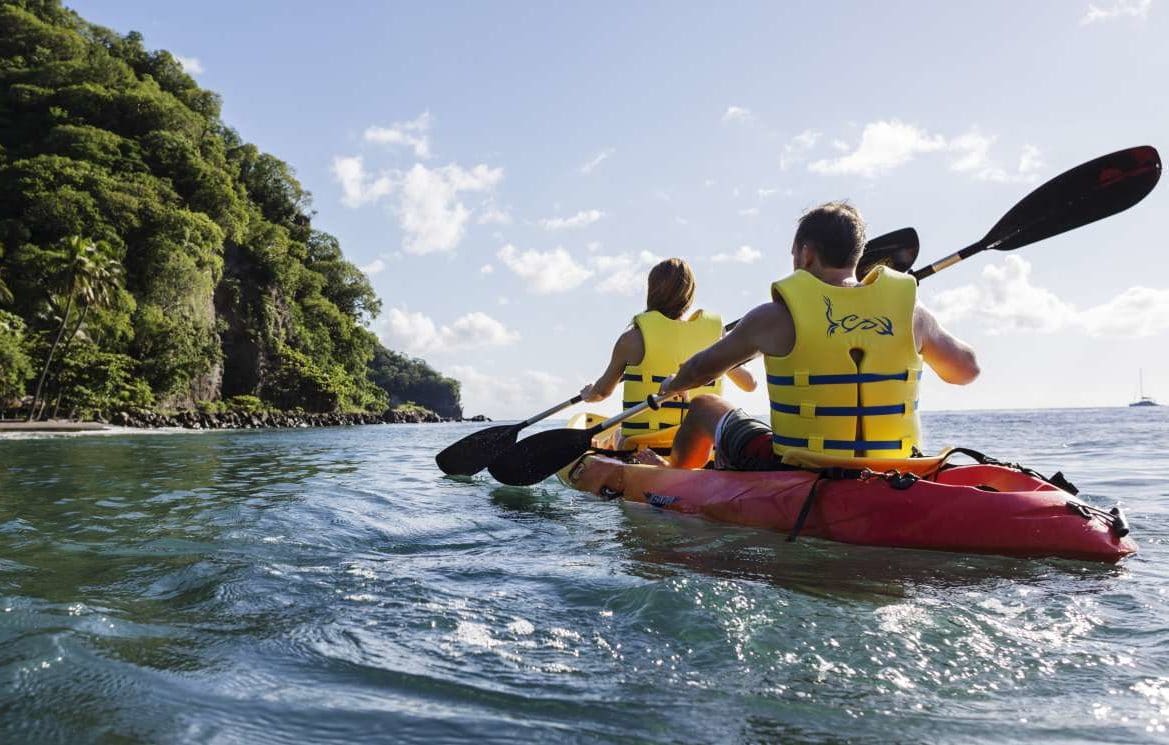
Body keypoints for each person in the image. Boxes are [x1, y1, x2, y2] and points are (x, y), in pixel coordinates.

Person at [645, 202, 979, 470]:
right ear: (857, 256)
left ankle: (673, 475)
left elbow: (702, 369)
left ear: (806, 254)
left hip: (802, 467)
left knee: (704, 405)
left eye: (794, 255)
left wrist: (673, 384)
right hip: (894, 465)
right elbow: (967, 371)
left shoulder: (772, 317)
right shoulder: (912, 313)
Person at [579, 258, 756, 449]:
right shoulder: (715, 338)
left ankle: (601, 446)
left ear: (651, 292)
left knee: (618, 434)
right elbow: (750, 384)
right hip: (698, 448)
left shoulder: (632, 339)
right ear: (689, 295)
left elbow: (602, 392)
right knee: (618, 433)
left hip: (642, 445)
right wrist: (721, 357)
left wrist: (589, 394)